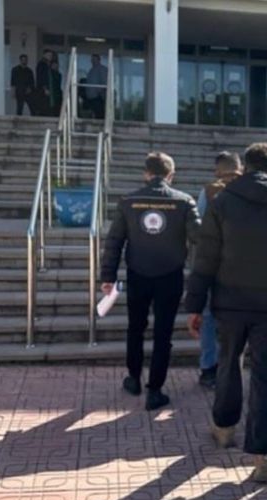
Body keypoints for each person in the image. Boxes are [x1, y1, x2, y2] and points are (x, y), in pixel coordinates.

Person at [184, 143, 267, 484]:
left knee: (228, 365)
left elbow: (205, 259)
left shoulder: (222, 204)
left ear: (246, 167)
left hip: (229, 304)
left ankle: (224, 427)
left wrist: (194, 305)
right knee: (266, 379)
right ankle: (264, 455)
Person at [100, 152, 201, 411]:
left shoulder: (128, 201)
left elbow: (114, 241)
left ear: (146, 174)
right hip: (170, 274)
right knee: (163, 333)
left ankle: (134, 378)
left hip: (138, 273)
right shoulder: (184, 201)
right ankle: (155, 390)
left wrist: (108, 276)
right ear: (171, 175)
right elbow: (199, 239)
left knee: (135, 327)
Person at [195, 151, 243, 389]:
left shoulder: (208, 192)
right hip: (241, 265)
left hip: (213, 263)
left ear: (217, 170)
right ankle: (231, 365)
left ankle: (208, 368)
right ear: (239, 168)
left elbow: (199, 229)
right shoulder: (248, 190)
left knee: (208, 318)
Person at [85, 53, 108, 119]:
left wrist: (99, 92)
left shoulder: (102, 69)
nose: (92, 61)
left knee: (99, 116)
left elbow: (105, 82)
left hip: (98, 98)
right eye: (92, 59)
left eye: (94, 59)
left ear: (98, 60)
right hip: (91, 98)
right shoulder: (91, 71)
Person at [34, 49, 55, 116]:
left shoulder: (48, 65)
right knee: (43, 105)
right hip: (42, 89)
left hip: (47, 88)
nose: (50, 57)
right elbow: (41, 77)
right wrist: (45, 88)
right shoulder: (41, 64)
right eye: (49, 55)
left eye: (51, 55)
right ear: (44, 55)